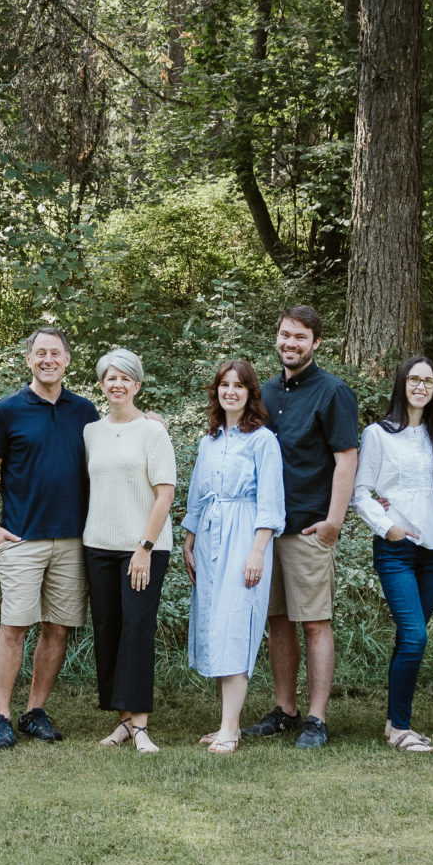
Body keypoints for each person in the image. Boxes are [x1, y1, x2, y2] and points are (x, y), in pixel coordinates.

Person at [0, 326, 97, 750]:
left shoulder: (85, 411)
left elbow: (119, 440)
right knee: (15, 626)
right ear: (29, 359)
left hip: (73, 539)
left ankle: (35, 711)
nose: (48, 359)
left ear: (67, 359)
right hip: (21, 538)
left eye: (56, 353)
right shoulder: (7, 410)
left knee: (58, 629)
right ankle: (1, 716)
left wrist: (149, 420)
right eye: (40, 353)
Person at [246, 306, 360, 750]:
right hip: (266, 529)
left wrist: (334, 521)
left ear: (315, 343)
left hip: (309, 527)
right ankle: (285, 710)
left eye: (300, 337)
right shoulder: (265, 392)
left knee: (314, 622)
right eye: (284, 335)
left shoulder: (333, 392)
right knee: (278, 621)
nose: (290, 343)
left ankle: (316, 718)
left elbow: (346, 459)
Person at [183, 359, 285, 752]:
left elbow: (271, 502)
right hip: (210, 536)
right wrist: (190, 540)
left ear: (250, 393)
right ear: (217, 391)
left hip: (245, 536)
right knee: (214, 624)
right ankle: (229, 723)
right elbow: (195, 493)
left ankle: (230, 727)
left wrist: (257, 551)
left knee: (236, 624)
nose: (231, 392)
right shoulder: (208, 440)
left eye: (238, 386)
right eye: (224, 385)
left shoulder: (262, 440)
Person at [352, 357, 433, 752]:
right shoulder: (378, 433)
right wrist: (387, 526)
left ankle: (394, 724)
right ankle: (404, 728)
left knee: (406, 639)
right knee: (416, 636)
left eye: (428, 381)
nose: (421, 386)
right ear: (401, 383)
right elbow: (361, 492)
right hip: (396, 548)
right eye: (414, 379)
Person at [81, 347, 175, 754]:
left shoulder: (153, 431)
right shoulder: (91, 432)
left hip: (143, 548)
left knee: (137, 629)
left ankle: (140, 726)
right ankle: (121, 722)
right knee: (107, 630)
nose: (116, 384)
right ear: (102, 385)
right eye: (109, 378)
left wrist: (144, 548)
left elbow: (165, 493)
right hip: (97, 545)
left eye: (125, 378)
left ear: (137, 384)